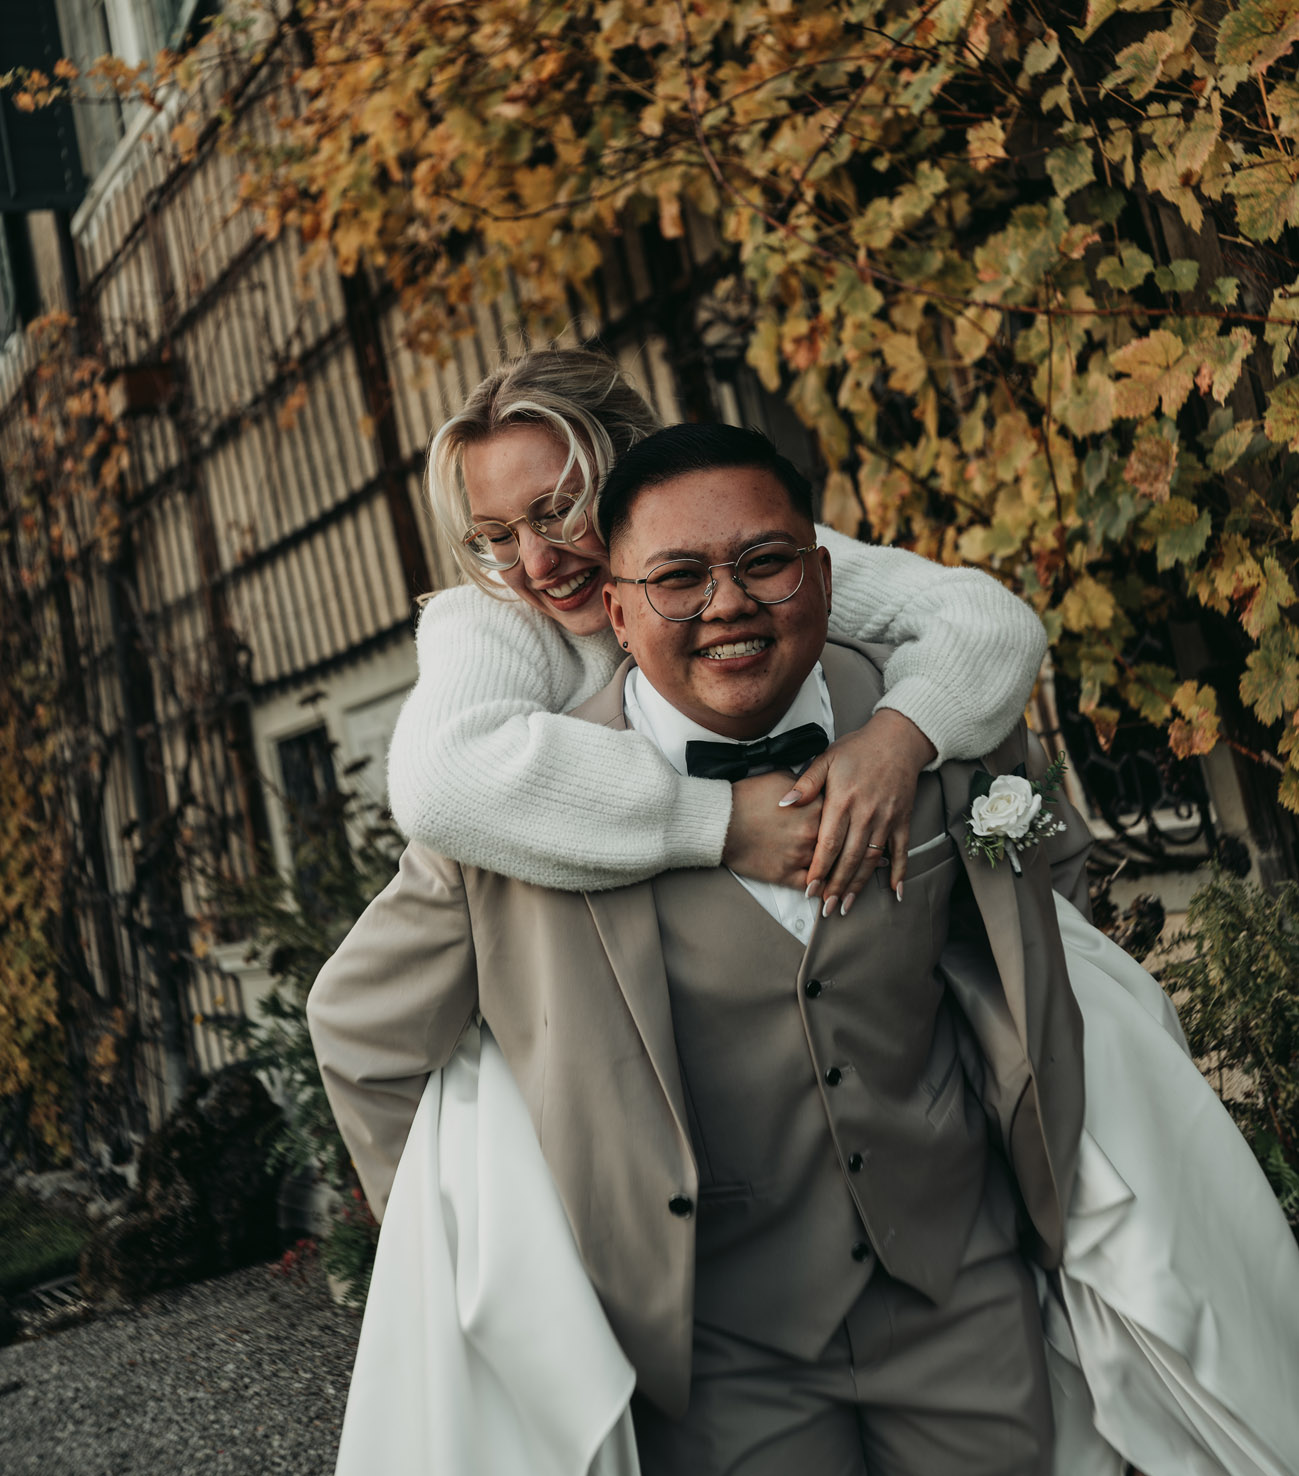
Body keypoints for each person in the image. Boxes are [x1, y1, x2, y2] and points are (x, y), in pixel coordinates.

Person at [311, 423, 1095, 1474]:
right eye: (678, 579)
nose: (727, 604)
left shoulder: (929, 716)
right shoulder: (516, 805)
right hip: (708, 1351)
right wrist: (480, 1250)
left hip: (962, 1289)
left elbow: (1049, 906)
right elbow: (363, 1032)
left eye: (763, 564)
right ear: (618, 607)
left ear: (821, 574)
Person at [386, 347, 1051, 915]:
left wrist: (897, 741)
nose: (534, 564)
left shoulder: (756, 560)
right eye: (496, 536)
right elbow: (439, 782)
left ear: (637, 472)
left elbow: (986, 619)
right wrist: (721, 822)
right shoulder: (490, 619)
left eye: (559, 510)